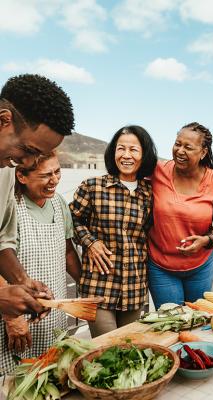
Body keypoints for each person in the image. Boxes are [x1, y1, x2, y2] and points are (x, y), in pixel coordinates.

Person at [70, 125, 157, 338]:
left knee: (129, 349)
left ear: (144, 154)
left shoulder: (150, 194)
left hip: (134, 286)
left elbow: (150, 232)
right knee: (106, 350)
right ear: (113, 152)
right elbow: (72, 219)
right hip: (99, 285)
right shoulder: (92, 187)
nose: (126, 155)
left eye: (133, 150)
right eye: (121, 149)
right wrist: (90, 242)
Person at [0, 74, 74, 318]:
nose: (29, 163)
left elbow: (2, 238)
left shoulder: (7, 169)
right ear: (4, 121)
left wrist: (22, 280)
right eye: (28, 150)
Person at [0, 152, 81, 374]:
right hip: (13, 314)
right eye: (45, 175)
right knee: (16, 380)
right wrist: (12, 318)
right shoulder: (9, 205)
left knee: (52, 374)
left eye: (57, 172)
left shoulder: (59, 203)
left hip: (52, 313)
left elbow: (68, 253)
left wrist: (85, 285)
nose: (54, 180)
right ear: (22, 176)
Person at [148, 122, 213, 310]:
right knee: (172, 322)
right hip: (161, 267)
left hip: (201, 268)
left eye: (188, 147)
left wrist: (207, 240)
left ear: (203, 152)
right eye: (177, 144)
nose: (180, 151)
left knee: (197, 322)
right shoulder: (157, 172)